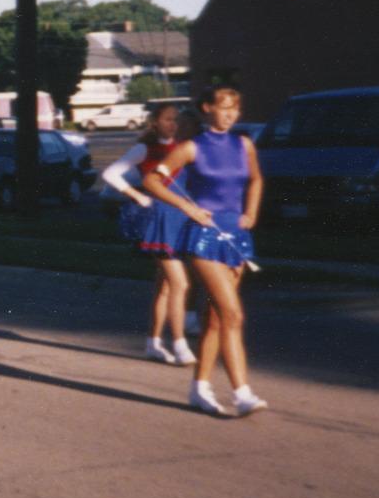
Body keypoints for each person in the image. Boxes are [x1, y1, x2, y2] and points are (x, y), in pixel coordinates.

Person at [144, 86, 268, 417]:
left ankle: (199, 388)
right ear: (207, 109)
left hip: (236, 235)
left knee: (216, 319)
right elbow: (154, 181)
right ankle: (242, 393)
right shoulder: (191, 148)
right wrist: (188, 208)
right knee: (233, 314)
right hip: (204, 236)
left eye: (236, 109)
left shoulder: (244, 145)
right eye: (224, 107)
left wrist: (251, 213)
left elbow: (255, 180)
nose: (231, 114)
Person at [101, 104, 200, 365]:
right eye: (168, 119)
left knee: (165, 287)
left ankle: (153, 343)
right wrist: (136, 195)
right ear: (155, 122)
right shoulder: (144, 148)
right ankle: (179, 344)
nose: (173, 124)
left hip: (180, 219)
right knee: (180, 283)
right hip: (159, 221)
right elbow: (110, 173)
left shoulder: (182, 147)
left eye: (176, 119)